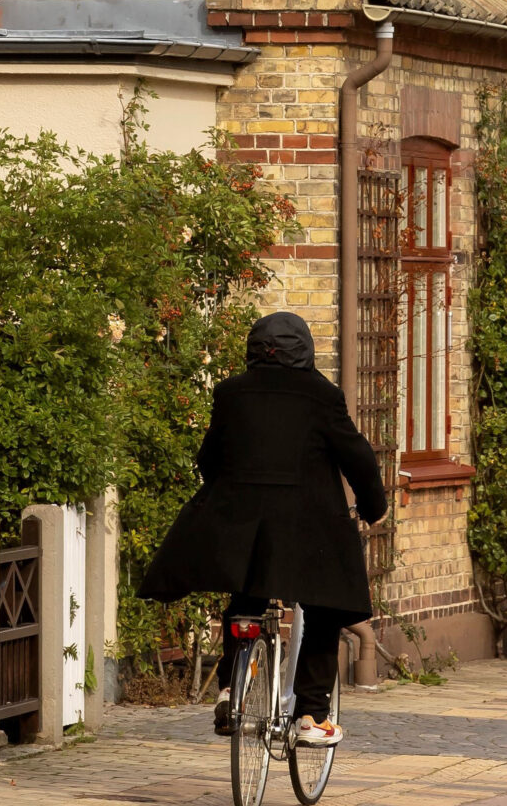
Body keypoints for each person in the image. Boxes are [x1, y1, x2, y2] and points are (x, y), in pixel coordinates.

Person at [141, 310, 387, 746]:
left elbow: (209, 457)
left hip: (238, 519)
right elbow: (358, 457)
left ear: (255, 349)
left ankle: (232, 688)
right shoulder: (321, 395)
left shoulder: (231, 392)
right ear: (306, 351)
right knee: (325, 606)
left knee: (246, 591)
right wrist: (374, 507)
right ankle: (312, 716)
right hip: (306, 525)